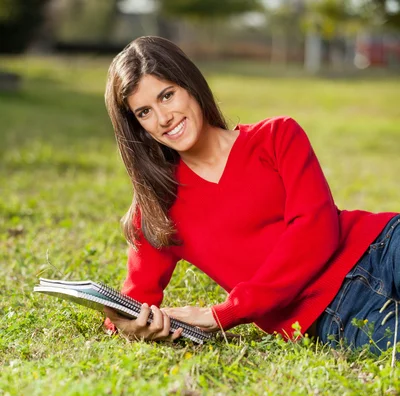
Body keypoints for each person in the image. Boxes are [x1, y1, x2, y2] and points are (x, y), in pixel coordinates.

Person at [103, 36, 399, 355]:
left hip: (381, 246)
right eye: (144, 112)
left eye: (167, 95)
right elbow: (133, 303)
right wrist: (126, 325)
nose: (163, 118)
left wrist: (226, 312)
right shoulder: (157, 207)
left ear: (190, 86)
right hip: (335, 314)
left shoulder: (277, 136)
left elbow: (316, 229)